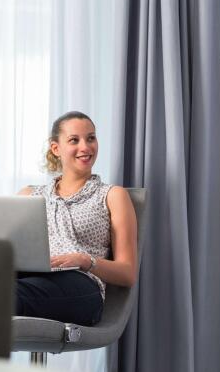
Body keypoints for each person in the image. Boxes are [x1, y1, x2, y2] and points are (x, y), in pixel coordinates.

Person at [15, 111, 137, 326]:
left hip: (81, 286)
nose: (85, 147)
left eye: (91, 138)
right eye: (74, 140)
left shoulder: (112, 195)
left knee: (5, 294)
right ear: (56, 148)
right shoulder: (30, 195)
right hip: (31, 276)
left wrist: (85, 261)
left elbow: (127, 273)